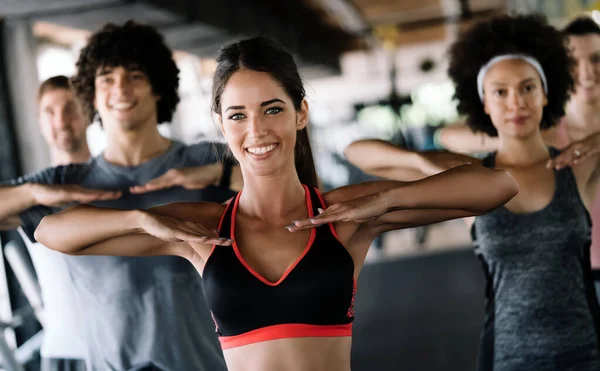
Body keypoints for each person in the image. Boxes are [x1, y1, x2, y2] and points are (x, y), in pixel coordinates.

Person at [34, 36, 517, 371]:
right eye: (238, 115)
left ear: (300, 113)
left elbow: (497, 187)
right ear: (221, 125)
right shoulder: (199, 231)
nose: (257, 131)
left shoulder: (343, 217)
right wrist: (144, 218)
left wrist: (386, 197)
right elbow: (50, 233)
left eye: (272, 109)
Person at [345, 14, 600, 370]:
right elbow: (357, 152)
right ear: (484, 103)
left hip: (587, 354)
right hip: (507, 357)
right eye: (501, 92)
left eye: (528, 87)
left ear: (547, 94)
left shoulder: (578, 166)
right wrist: (424, 163)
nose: (516, 103)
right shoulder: (471, 178)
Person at [0, 21, 242, 371]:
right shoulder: (70, 182)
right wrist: (34, 191)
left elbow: (295, 191)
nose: (121, 89)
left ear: (157, 87)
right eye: (107, 79)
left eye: (135, 76)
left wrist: (221, 174)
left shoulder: (203, 159)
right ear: (92, 96)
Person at [387, 15, 600, 295]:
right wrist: (510, 130)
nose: (586, 72)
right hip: (581, 277)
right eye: (575, 62)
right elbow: (448, 135)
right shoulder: (546, 133)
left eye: (596, 59)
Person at [16, 75, 90, 371]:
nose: (61, 121)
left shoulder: (116, 185)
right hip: (60, 350)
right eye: (50, 111)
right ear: (40, 122)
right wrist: (35, 194)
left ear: (88, 111)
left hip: (118, 348)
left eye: (70, 107)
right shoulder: (28, 194)